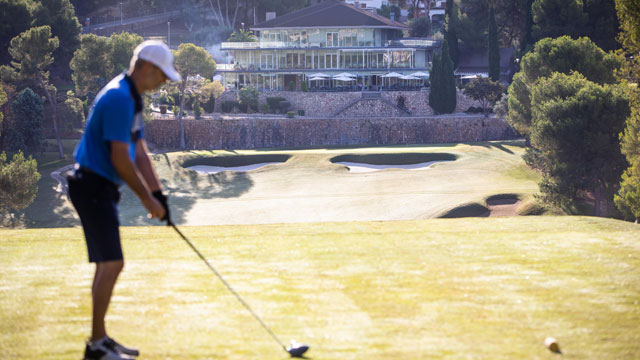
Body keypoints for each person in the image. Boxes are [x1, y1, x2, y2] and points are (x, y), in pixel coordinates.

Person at [67, 40, 180, 360]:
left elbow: (138, 150)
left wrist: (159, 195)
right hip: (91, 185)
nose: (163, 83)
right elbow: (120, 159)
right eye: (162, 76)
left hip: (100, 187)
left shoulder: (132, 97)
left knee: (109, 264)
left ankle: (99, 340)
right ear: (146, 67)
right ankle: (96, 345)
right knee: (112, 263)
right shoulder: (119, 98)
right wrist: (148, 201)